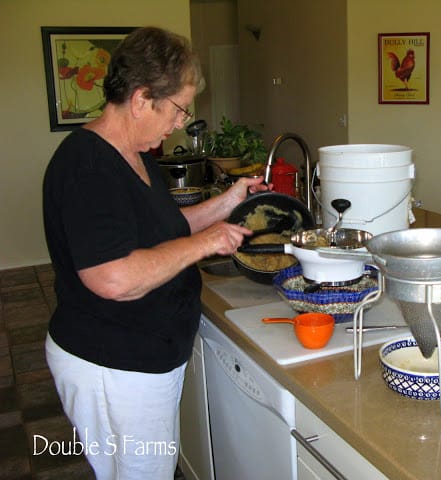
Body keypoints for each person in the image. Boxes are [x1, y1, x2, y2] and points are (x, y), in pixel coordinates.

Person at [42, 26, 268, 479]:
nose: (180, 123)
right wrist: (205, 243)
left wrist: (230, 202)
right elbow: (113, 278)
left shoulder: (136, 154)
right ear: (142, 98)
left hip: (138, 357)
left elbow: (165, 228)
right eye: (178, 109)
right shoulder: (88, 167)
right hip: (112, 362)